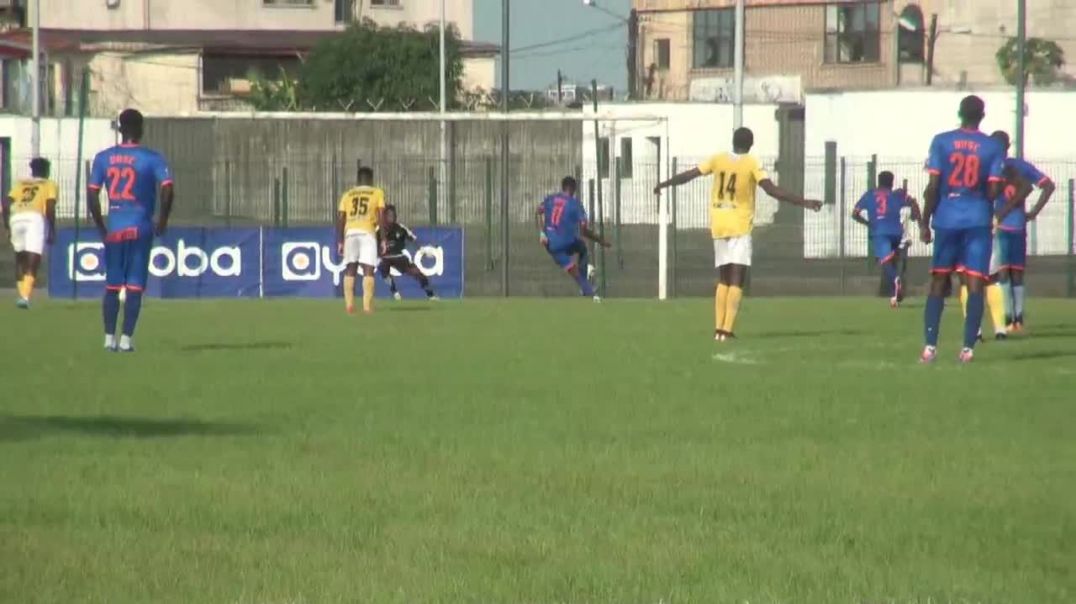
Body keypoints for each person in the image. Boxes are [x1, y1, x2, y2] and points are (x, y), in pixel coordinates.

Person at [653, 127, 822, 341]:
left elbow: (690, 175)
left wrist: (664, 184)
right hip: (739, 225)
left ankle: (718, 330)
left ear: (733, 141)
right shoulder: (751, 162)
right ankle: (727, 329)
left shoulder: (718, 159)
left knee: (723, 277)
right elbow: (771, 189)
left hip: (718, 223)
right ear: (751, 144)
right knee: (737, 278)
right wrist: (804, 202)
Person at [919, 95, 1020, 364]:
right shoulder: (992, 147)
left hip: (947, 218)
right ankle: (967, 348)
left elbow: (933, 186)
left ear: (959, 113)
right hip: (977, 219)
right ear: (982, 116)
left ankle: (930, 347)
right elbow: (993, 189)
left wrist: (924, 220)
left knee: (939, 281)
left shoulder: (942, 141)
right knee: (976, 282)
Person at [88, 108, 174, 352]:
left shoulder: (103, 158)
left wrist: (101, 226)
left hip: (115, 228)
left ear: (120, 129)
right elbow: (168, 188)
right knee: (135, 285)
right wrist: (163, 220)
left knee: (113, 285)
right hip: (140, 227)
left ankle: (108, 339)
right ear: (141, 129)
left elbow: (92, 194)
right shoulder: (152, 158)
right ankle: (126, 340)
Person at [989, 130, 1055, 332]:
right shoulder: (1021, 166)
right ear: (1008, 146)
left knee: (1002, 272)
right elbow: (1048, 185)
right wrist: (1033, 212)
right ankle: (1018, 318)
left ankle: (1008, 317)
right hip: (1018, 225)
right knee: (1017, 272)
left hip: (999, 225)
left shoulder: (993, 167)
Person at [958, 165, 1032, 341]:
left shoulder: (978, 169)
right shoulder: (1006, 170)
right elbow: (1024, 186)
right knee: (992, 279)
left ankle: (976, 331)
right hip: (985, 227)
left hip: (963, 225)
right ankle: (1000, 330)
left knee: (968, 279)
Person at [851, 171, 921, 308]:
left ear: (878, 181)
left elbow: (855, 214)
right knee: (892, 261)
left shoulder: (870, 194)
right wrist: (918, 219)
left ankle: (896, 281)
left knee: (886, 262)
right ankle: (895, 296)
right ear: (892, 182)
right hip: (897, 232)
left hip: (880, 231)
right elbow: (914, 203)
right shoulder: (897, 194)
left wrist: (867, 223)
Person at [536, 176, 609, 301]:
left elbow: (538, 211)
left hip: (550, 243)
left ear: (562, 187)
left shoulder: (550, 199)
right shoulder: (575, 204)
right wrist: (600, 240)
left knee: (572, 270)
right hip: (566, 241)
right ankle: (587, 285)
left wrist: (541, 232)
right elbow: (584, 231)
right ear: (574, 189)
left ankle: (588, 292)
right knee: (582, 249)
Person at [3, 157, 57, 308]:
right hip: (35, 217)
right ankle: (25, 298)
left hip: (17, 217)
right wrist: (52, 228)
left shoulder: (20, 183)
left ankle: (22, 296)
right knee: (34, 260)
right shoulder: (49, 184)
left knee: (20, 259)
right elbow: (50, 206)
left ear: (32, 170)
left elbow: (6, 203)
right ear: (47, 171)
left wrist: (7, 224)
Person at [336, 166, 385, 315]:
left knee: (350, 268)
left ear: (358, 179)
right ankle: (367, 307)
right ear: (370, 179)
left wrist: (340, 240)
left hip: (350, 232)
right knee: (368, 269)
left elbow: (341, 218)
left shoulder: (348, 194)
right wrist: (382, 238)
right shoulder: (377, 192)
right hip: (367, 232)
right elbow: (381, 216)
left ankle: (349, 305)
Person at [377, 204, 438, 301]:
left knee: (418, 274)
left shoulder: (400, 228)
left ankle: (431, 295)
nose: (391, 218)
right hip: (385, 257)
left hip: (399, 256)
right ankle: (394, 291)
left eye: (393, 215)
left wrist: (423, 250)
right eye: (388, 215)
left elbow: (413, 239)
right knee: (382, 268)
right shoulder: (378, 230)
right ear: (384, 217)